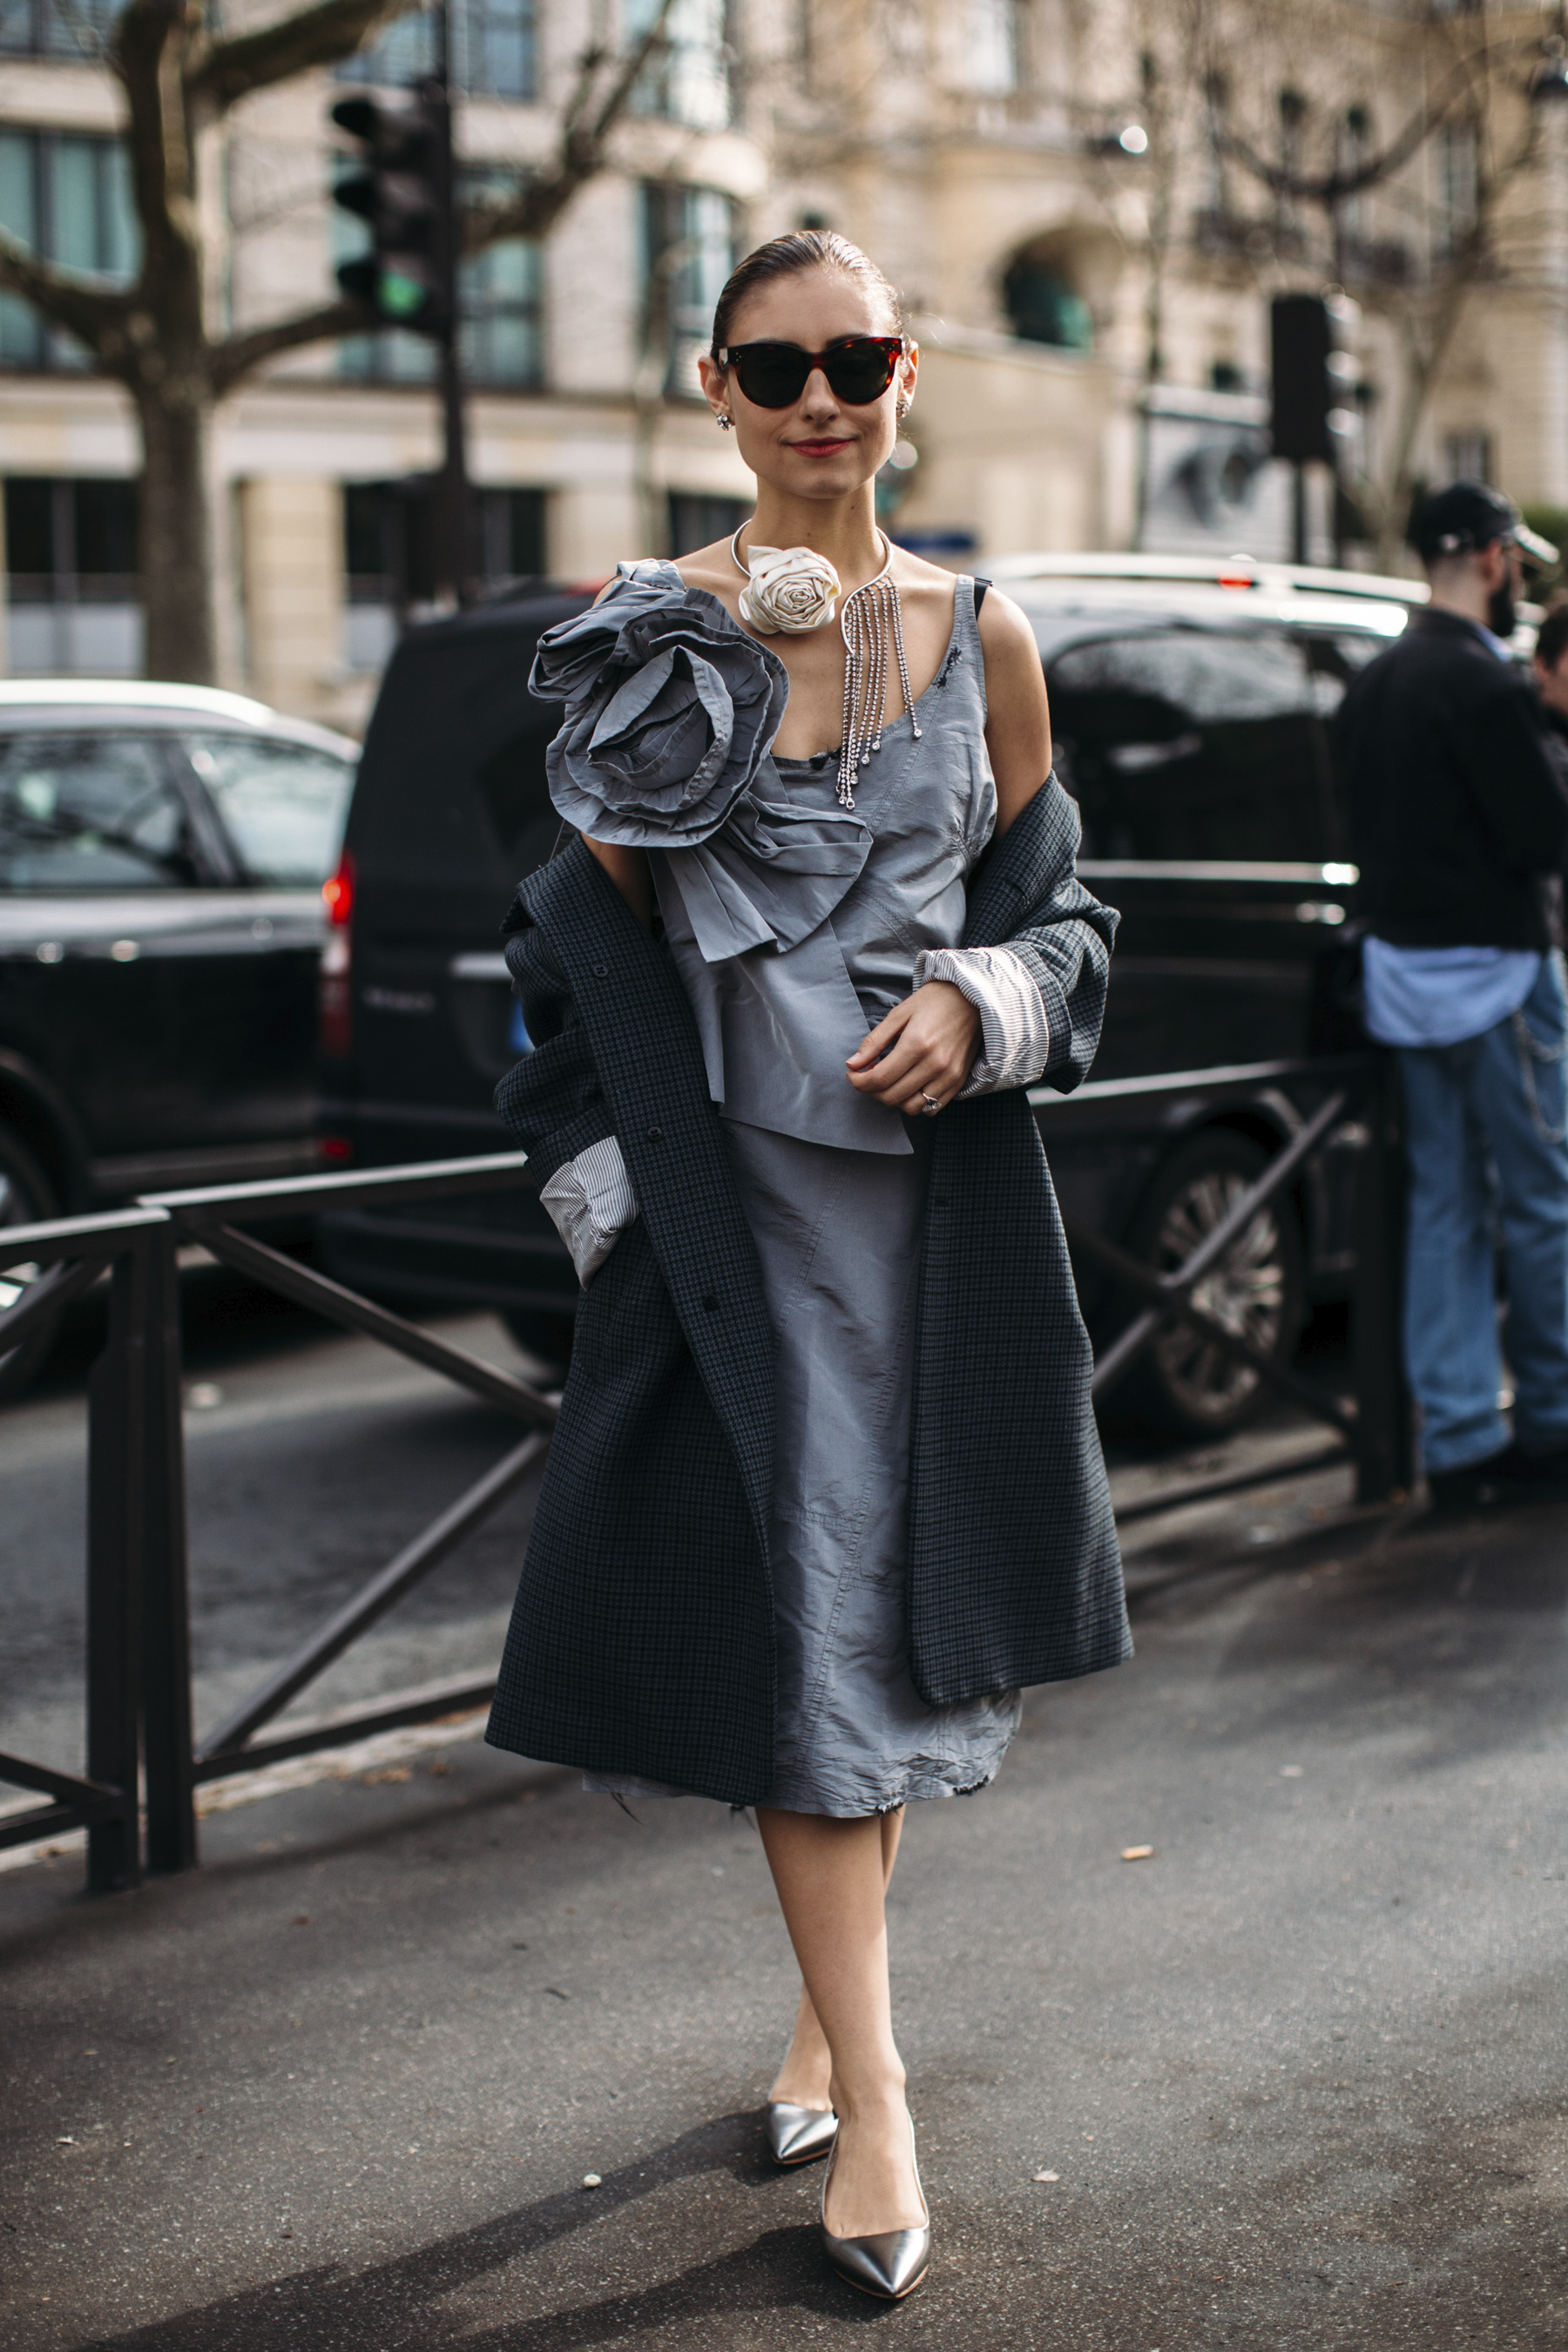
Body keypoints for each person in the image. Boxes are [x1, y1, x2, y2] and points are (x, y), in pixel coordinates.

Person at [483, 230, 1129, 2301]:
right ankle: (881, 2088)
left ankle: (813, 2025)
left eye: (854, 355)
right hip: (731, 1253)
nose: (821, 395)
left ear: (907, 368)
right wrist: (607, 1218)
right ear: (715, 390)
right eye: (779, 368)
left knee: (887, 1639)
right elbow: (562, 970)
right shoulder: (640, 638)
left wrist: (981, 999)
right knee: (807, 1645)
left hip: (934, 1244)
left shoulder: (989, 632)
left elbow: (1071, 931)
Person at [1338, 481, 1568, 1511]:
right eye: (1514, 557)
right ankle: (1553, 1420)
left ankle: (1462, 1432)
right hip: (1501, 972)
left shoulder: (1375, 680)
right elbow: (1542, 837)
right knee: (1545, 1201)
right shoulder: (1487, 685)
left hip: (1403, 975)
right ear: (1489, 557)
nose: (1519, 574)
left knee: (1444, 1206)